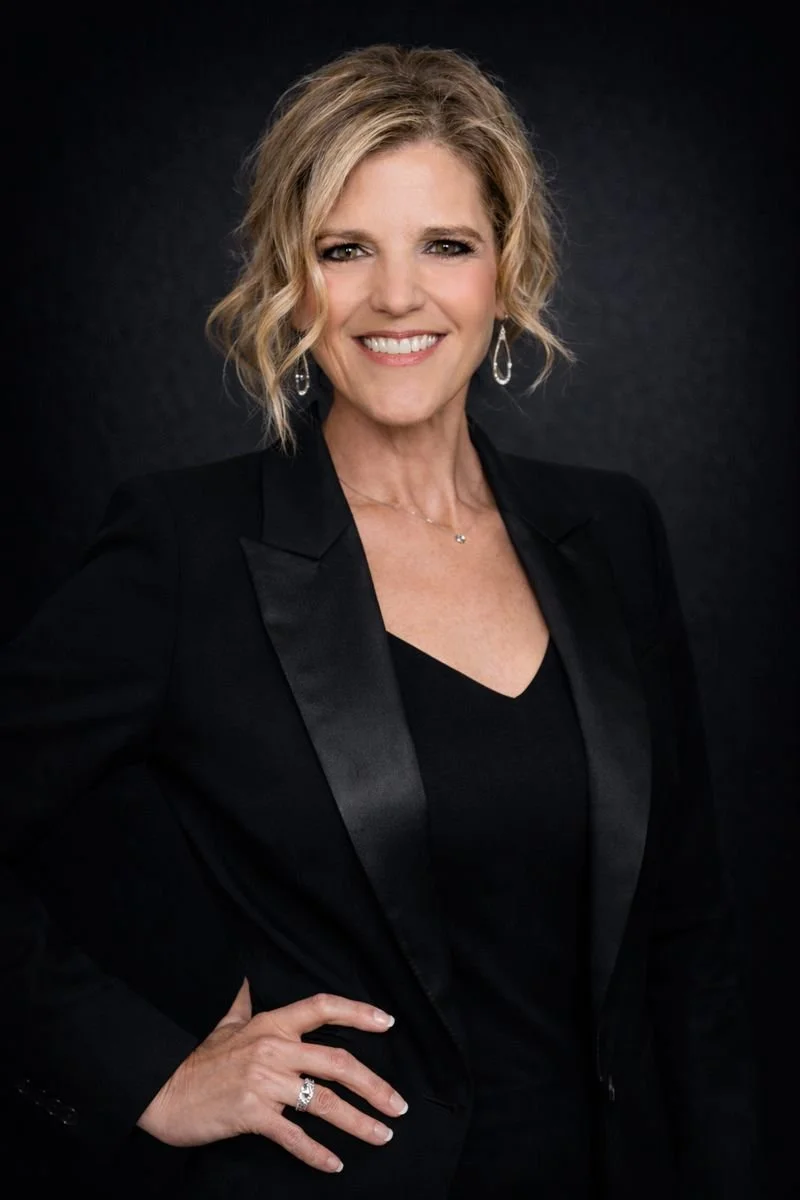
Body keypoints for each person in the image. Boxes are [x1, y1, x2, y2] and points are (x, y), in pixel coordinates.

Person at [1, 43, 759, 1200]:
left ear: (504, 270)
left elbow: (685, 936)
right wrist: (146, 1074)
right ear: (289, 283)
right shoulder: (182, 552)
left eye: (443, 245)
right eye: (344, 249)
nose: (395, 295)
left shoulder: (608, 531)